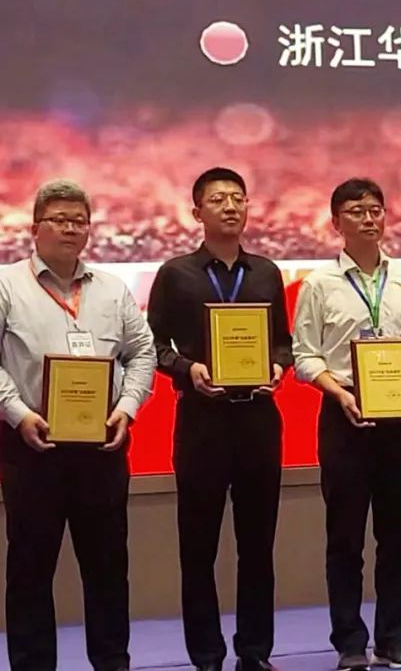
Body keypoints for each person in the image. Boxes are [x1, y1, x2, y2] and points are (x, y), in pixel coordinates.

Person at [0, 179, 156, 671]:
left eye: (79, 221)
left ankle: (112, 663)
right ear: (35, 228)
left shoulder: (111, 289)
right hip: (31, 448)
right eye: (59, 220)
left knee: (108, 569)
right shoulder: (7, 285)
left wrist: (127, 407)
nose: (70, 229)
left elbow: (142, 352)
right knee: (30, 570)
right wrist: (18, 413)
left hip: (101, 449)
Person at [147, 168, 292, 671]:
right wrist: (188, 369)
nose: (230, 207)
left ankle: (255, 651)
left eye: (238, 198)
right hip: (201, 422)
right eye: (218, 199)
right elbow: (153, 345)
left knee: (258, 545)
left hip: (258, 421)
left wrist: (279, 366)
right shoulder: (176, 274)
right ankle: (206, 655)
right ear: (197, 212)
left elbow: (283, 341)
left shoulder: (267, 273)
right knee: (198, 546)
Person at [293, 178, 401, 671]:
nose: (369, 218)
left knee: (399, 539)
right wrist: (339, 393)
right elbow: (305, 356)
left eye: (376, 209)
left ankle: (395, 638)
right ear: (336, 222)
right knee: (345, 539)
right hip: (346, 415)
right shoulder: (319, 283)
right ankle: (350, 643)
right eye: (356, 211)